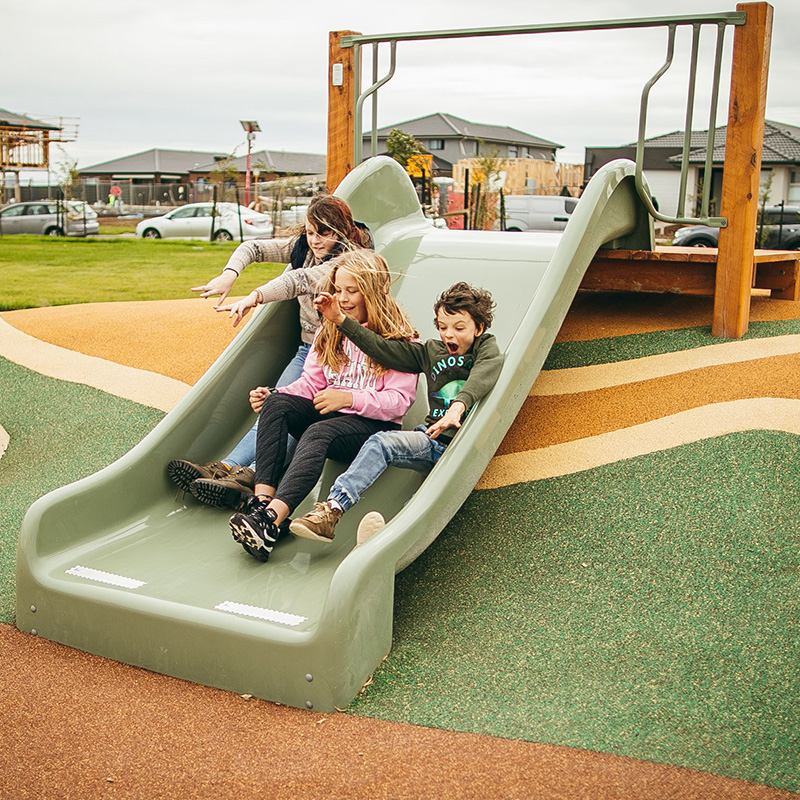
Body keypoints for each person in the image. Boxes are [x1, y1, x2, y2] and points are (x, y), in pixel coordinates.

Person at [166, 195, 372, 510]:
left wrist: (255, 296)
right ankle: (226, 466)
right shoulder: (303, 246)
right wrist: (229, 274)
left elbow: (299, 281)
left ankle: (250, 476)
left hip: (339, 358)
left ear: (341, 232)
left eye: (324, 233)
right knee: (272, 409)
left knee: (289, 415)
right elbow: (254, 248)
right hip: (308, 349)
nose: (315, 240)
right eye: (310, 231)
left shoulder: (350, 262)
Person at [228, 250, 419, 562]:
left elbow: (398, 404)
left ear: (372, 292)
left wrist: (349, 399)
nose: (342, 298)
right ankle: (262, 506)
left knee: (319, 431)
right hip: (330, 411)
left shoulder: (399, 340)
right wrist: (275, 394)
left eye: (351, 291)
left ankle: (271, 521)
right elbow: (310, 384)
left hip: (370, 426)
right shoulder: (328, 331)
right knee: (278, 405)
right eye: (339, 290)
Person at [288, 281, 501, 545]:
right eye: (443, 327)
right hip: (432, 441)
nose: (449, 335)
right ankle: (331, 511)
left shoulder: (486, 347)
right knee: (381, 442)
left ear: (478, 328)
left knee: (425, 500)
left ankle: (387, 540)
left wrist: (458, 406)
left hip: (465, 446)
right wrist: (341, 320)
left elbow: (486, 370)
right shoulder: (429, 351)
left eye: (459, 328)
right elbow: (382, 349)